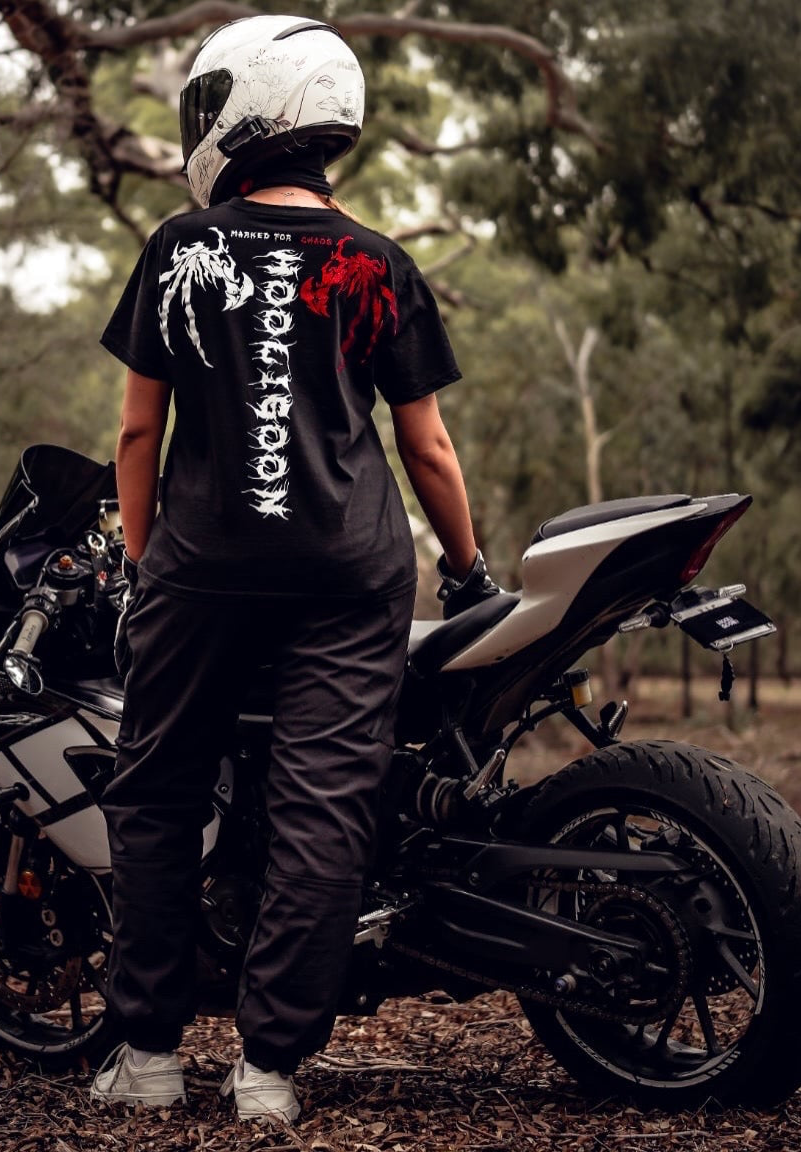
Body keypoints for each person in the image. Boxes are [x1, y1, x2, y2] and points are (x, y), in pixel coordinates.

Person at [89, 14, 499, 1124]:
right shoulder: (379, 262)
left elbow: (137, 437)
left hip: (202, 566)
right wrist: (467, 572)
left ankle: (151, 1059)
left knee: (161, 792)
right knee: (325, 811)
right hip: (351, 572)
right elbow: (427, 449)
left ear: (245, 115)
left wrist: (144, 566)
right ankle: (268, 1075)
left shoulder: (183, 246)